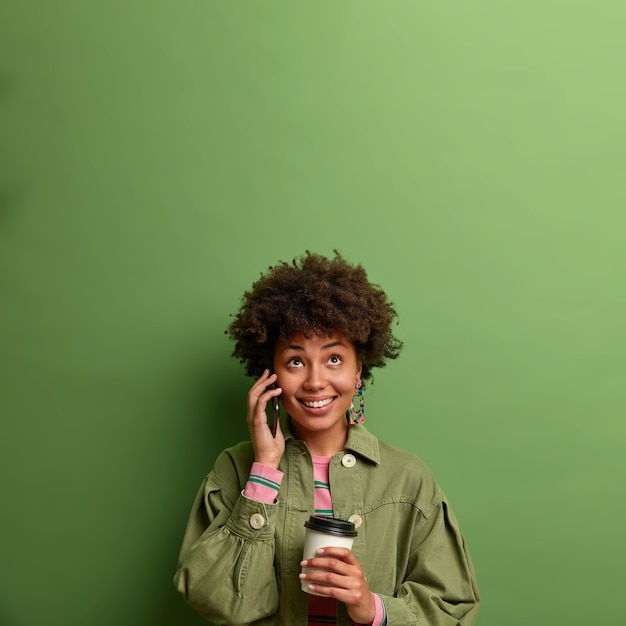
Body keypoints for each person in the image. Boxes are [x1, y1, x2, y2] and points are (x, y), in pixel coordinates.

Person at [174, 251, 480, 626]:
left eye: (334, 359)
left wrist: (371, 607)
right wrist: (265, 470)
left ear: (358, 370)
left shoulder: (407, 478)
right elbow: (216, 600)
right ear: (271, 375)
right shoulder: (236, 469)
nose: (316, 381)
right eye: (296, 361)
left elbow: (454, 607)